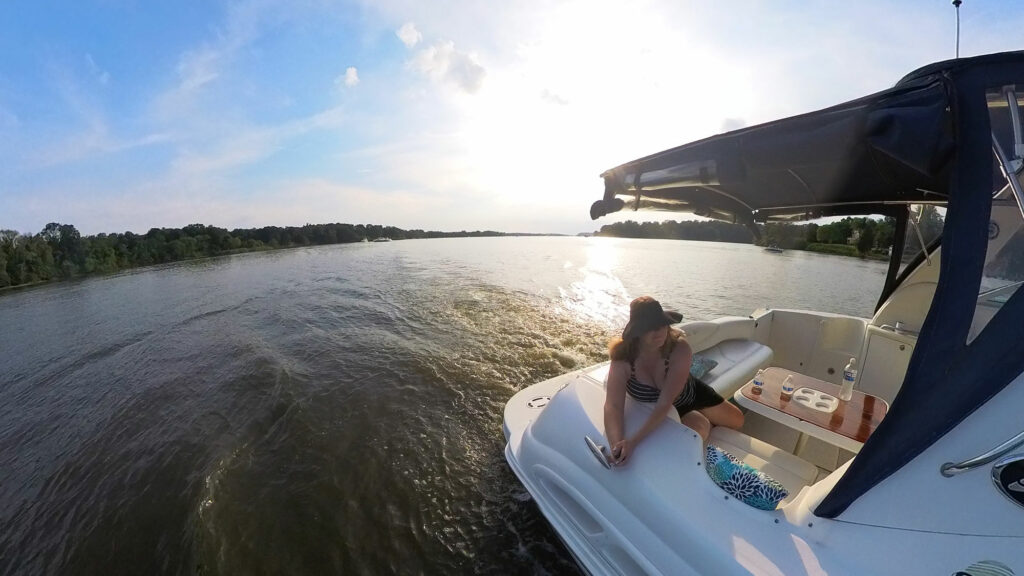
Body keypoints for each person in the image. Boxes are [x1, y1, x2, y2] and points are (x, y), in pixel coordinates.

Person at [604, 296, 743, 466]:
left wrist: (633, 441)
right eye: (650, 328)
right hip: (667, 408)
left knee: (737, 421)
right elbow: (613, 405)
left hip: (690, 393)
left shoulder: (679, 348)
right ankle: (704, 420)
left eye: (662, 324)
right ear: (637, 331)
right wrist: (617, 444)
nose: (659, 332)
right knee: (700, 427)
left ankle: (706, 415)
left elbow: (665, 402)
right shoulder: (623, 359)